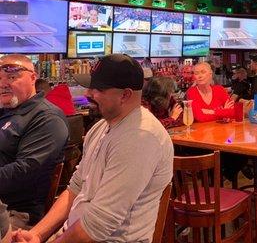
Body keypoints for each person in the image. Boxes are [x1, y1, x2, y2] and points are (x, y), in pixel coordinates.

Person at [14, 54, 174, 243]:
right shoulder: (101, 126)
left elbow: (98, 226)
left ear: (126, 95)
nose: (87, 94)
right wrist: (37, 234)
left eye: (97, 88)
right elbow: (75, 188)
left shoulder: (141, 137)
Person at [0, 55, 69, 229]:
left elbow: (24, 171)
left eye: (12, 77)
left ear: (33, 78)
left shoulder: (47, 117)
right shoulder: (6, 110)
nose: (3, 84)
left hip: (16, 213)